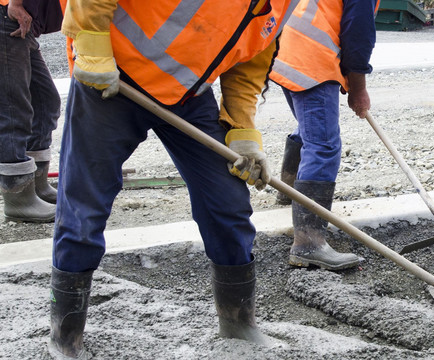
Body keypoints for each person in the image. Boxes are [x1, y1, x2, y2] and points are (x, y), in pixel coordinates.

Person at [47, 0, 294, 358]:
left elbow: (252, 53)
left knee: (227, 204)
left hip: (188, 95)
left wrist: (240, 126)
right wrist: (92, 42)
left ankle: (239, 323)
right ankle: (65, 336)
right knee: (84, 209)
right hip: (113, 75)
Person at [269, 0, 379, 271]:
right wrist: (358, 87)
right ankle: (309, 244)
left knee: (309, 129)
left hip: (285, 49)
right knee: (323, 145)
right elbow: (358, 34)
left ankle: (290, 194)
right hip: (310, 58)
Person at [0, 0, 63, 222]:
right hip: (6, 12)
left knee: (44, 100)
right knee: (12, 109)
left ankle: (37, 185)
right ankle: (19, 198)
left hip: (18, 15)